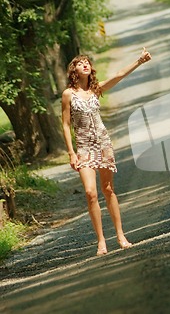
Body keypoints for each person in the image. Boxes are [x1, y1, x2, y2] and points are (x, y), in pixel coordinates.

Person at [61, 47, 152, 256]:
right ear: (73, 69)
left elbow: (118, 75)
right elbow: (66, 125)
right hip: (83, 147)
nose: (85, 64)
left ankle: (120, 235)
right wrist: (71, 152)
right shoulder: (68, 95)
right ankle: (101, 241)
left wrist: (139, 61)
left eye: (87, 62)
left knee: (108, 188)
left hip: (103, 144)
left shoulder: (95, 90)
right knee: (90, 193)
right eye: (80, 62)